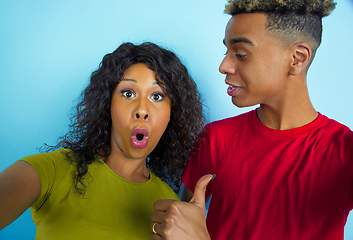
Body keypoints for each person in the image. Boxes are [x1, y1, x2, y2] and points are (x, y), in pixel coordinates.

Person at [150, 0, 353, 239]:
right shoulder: (215, 138)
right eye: (226, 51)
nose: (224, 66)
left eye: (241, 54)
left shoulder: (344, 152)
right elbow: (182, 219)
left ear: (297, 58)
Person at [0, 42, 205, 239]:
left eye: (157, 96)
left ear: (172, 114)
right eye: (128, 93)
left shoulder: (171, 211)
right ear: (108, 105)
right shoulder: (54, 171)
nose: (141, 110)